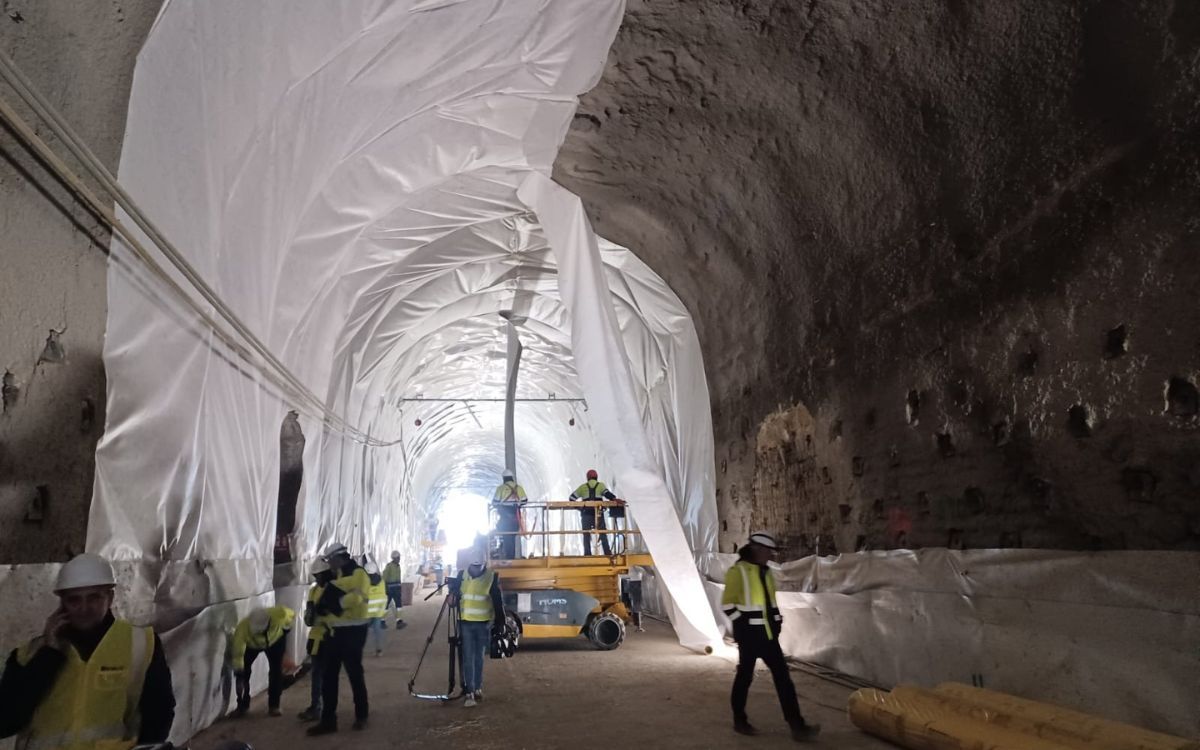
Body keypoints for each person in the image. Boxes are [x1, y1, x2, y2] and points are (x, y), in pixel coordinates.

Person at [0, 552, 176, 745]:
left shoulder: (141, 644)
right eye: (74, 600)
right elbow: (6, 722)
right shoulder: (28, 654)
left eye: (94, 597)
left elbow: (159, 713)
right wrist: (48, 656)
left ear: (110, 597)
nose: (84, 608)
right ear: (62, 603)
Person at [722, 532, 820, 743]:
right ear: (756, 549)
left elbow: (770, 603)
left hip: (768, 637)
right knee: (744, 678)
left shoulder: (766, 573)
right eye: (767, 551)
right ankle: (740, 720)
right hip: (749, 638)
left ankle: (797, 726)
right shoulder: (737, 572)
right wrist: (744, 626)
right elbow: (728, 604)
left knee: (784, 680)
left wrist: (777, 622)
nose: (770, 556)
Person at [307, 542, 371, 735]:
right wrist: (320, 610)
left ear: (338, 557)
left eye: (330, 560)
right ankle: (328, 721)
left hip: (354, 632)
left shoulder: (358, 573)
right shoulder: (336, 576)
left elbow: (358, 597)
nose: (329, 564)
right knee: (329, 677)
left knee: (354, 674)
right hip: (334, 633)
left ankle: (361, 715)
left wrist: (336, 603)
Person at [449, 546, 505, 708]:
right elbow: (454, 599)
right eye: (473, 567)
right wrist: (451, 599)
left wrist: (500, 622)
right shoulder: (461, 576)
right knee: (468, 657)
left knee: (478, 657)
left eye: (478, 567)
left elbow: (497, 601)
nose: (475, 570)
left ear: (484, 565)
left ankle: (477, 687)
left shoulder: (491, 577)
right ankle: (470, 691)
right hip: (465, 622)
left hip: (483, 624)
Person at [232, 604, 296, 718]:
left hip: (275, 640)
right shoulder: (242, 628)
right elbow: (238, 652)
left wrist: (286, 631)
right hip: (253, 645)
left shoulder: (280, 614)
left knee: (276, 672)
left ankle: (274, 706)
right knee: (244, 672)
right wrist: (239, 669)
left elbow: (292, 616)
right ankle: (242, 705)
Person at [298, 558, 334, 722]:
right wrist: (310, 615)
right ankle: (316, 707)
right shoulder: (313, 591)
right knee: (316, 675)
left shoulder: (335, 589)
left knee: (327, 676)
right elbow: (309, 617)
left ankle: (326, 709)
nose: (317, 578)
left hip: (329, 638)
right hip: (315, 638)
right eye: (316, 575)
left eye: (320, 575)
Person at [569, 469, 619, 556]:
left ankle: (587, 554)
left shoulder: (582, 487)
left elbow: (571, 498)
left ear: (587, 478)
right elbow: (607, 494)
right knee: (603, 533)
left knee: (586, 535)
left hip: (586, 515)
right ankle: (607, 552)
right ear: (596, 477)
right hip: (598, 514)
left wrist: (580, 508)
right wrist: (615, 499)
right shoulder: (600, 486)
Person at [491, 470, 527, 559]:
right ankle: (511, 557)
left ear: (504, 478)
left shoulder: (501, 488)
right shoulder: (519, 488)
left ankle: (509, 558)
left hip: (505, 519)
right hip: (516, 518)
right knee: (512, 537)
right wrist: (516, 504)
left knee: (507, 537)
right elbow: (525, 501)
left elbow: (495, 502)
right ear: (512, 478)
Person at [361, 555, 388, 657]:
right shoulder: (381, 581)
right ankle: (379, 650)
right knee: (377, 630)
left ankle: (359, 650)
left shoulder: (364, 582)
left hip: (366, 611)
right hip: (378, 610)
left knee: (362, 631)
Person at [382, 551, 407, 630]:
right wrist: (385, 588)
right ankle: (382, 621)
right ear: (394, 558)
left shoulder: (397, 566)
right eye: (397, 558)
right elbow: (384, 577)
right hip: (390, 588)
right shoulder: (389, 566)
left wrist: (400, 587)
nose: (399, 559)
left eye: (399, 557)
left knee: (398, 605)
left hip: (396, 588)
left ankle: (399, 621)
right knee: (386, 605)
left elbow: (398, 578)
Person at [621, 565, 646, 632]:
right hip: (636, 582)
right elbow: (643, 571)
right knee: (637, 605)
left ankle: (636, 624)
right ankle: (638, 626)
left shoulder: (630, 566)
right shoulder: (635, 566)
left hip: (630, 582)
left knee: (633, 604)